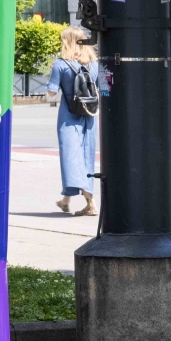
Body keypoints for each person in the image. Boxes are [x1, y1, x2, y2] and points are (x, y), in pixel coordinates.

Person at [48, 25, 99, 217]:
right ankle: (66, 200)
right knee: (86, 155)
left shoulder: (60, 64)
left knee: (70, 157)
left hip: (69, 116)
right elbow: (106, 88)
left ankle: (91, 202)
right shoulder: (95, 64)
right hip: (90, 114)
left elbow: (51, 92)